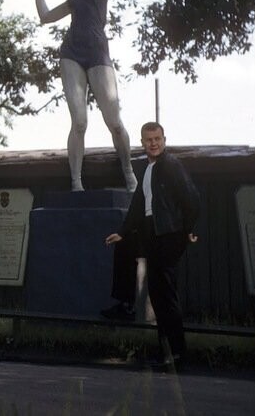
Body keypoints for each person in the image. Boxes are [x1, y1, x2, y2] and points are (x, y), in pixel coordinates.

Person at [34, 0, 140, 192]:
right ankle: (76, 181)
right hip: (71, 54)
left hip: (97, 53)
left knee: (114, 120)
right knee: (79, 121)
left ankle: (129, 171)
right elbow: (45, 17)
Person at [105, 122, 200, 367]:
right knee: (157, 295)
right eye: (149, 140)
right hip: (151, 233)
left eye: (157, 139)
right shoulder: (148, 169)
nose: (154, 143)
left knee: (166, 295)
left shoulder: (172, 166)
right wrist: (122, 232)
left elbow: (192, 198)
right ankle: (165, 351)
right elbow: (138, 205)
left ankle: (178, 353)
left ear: (164, 140)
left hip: (168, 235)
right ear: (142, 143)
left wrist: (188, 230)